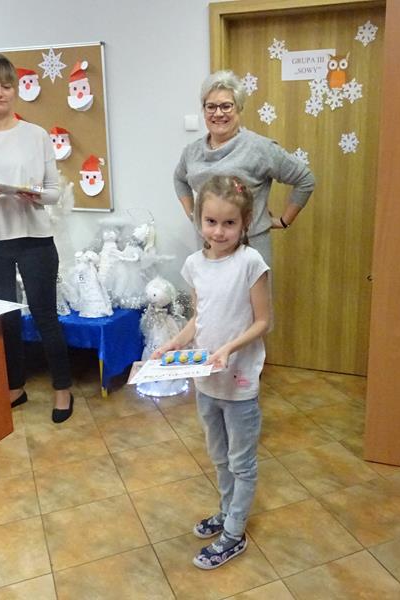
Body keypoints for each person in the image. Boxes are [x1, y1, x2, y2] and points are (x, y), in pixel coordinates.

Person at [154, 175, 271, 569]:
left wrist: (228, 349)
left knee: (241, 462)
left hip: (239, 383)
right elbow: (200, 317)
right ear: (199, 221)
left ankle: (234, 532)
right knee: (219, 457)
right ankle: (226, 511)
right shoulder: (194, 265)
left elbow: (263, 321)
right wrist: (175, 342)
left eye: (229, 223)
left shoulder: (250, 263)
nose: (219, 232)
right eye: (211, 222)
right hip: (207, 382)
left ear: (245, 223)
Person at [0, 53, 74, 423]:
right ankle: (14, 387)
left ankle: (63, 389)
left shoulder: (35, 135)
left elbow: (54, 192)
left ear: (15, 90)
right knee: (4, 317)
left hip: (34, 235)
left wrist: (35, 195)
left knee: (45, 314)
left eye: (6, 86)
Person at [174, 70, 315, 267]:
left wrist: (284, 220)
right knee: (209, 288)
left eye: (226, 106)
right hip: (208, 247)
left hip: (250, 249)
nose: (218, 113)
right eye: (211, 106)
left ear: (238, 107)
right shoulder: (192, 151)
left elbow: (305, 179)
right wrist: (193, 215)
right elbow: (179, 179)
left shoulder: (259, 148)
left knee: (254, 289)